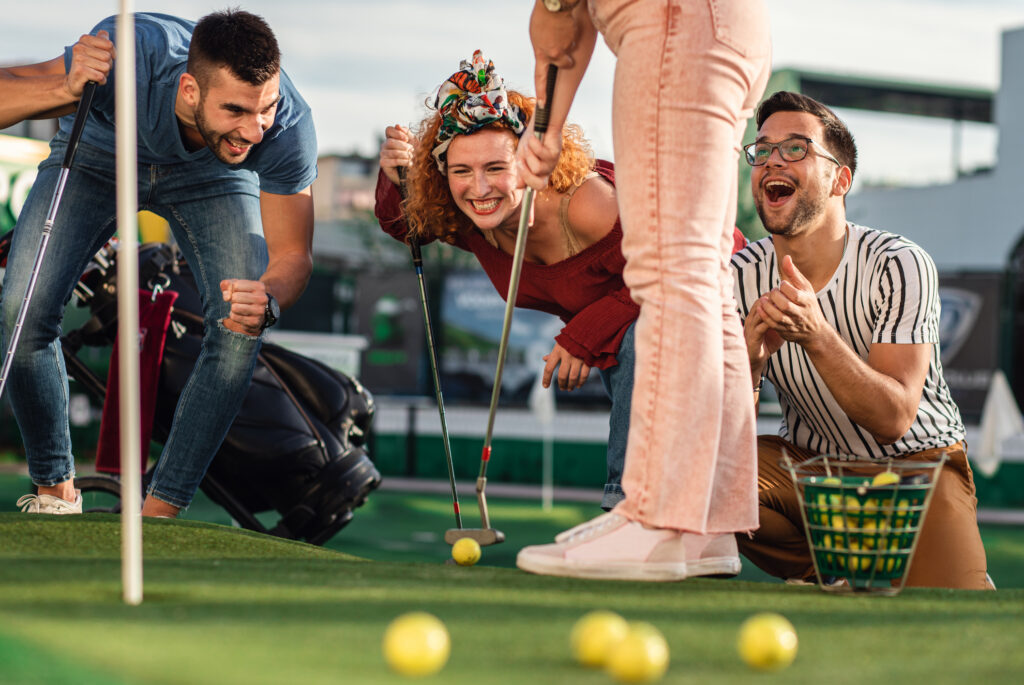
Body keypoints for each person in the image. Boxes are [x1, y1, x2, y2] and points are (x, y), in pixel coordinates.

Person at [2, 10, 317, 518]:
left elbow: (292, 256)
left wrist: (270, 295)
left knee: (240, 326)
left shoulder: (286, 128)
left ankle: (161, 512)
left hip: (215, 178)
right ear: (190, 89)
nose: (255, 130)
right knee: (22, 309)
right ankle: (55, 494)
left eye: (265, 109)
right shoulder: (126, 57)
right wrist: (65, 87)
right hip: (99, 156)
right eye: (235, 110)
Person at [514, 0, 771, 580]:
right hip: (725, 30)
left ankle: (655, 516)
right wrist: (547, 133)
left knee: (669, 272)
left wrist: (548, 128)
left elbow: (558, 23)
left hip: (672, 25)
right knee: (702, 275)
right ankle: (706, 527)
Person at [731, 90, 991, 590]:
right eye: (761, 151)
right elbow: (717, 428)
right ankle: (830, 570)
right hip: (813, 469)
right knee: (711, 470)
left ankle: (857, 568)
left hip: (917, 468)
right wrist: (749, 365)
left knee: (952, 609)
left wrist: (816, 334)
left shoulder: (898, 262)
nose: (770, 162)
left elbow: (894, 418)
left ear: (840, 180)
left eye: (795, 149)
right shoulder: (737, 276)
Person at [376, 51, 642, 510]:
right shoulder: (470, 217)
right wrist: (393, 177)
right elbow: (406, 226)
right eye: (461, 171)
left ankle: (629, 509)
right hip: (627, 329)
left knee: (643, 338)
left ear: (529, 163)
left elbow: (670, 273)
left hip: (719, 285)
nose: (479, 189)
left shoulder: (588, 205)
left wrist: (583, 336)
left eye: (496, 168)